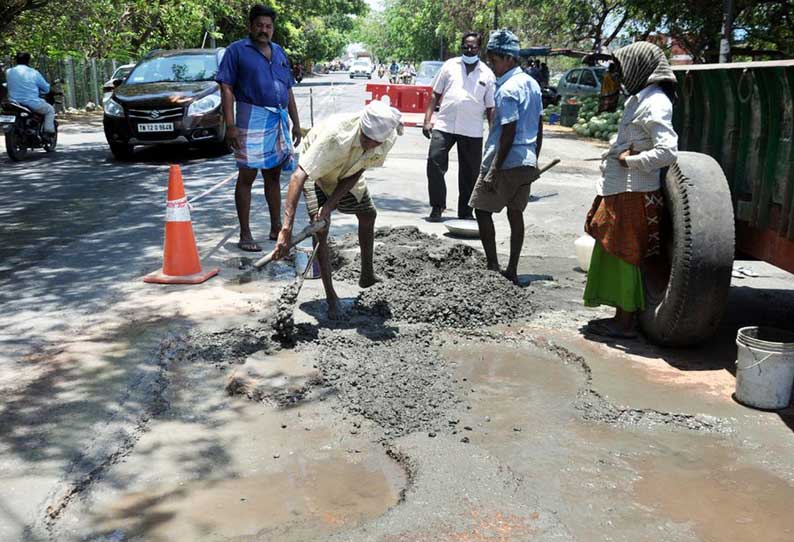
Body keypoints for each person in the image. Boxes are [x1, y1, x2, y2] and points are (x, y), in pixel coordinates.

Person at [272, 100, 403, 319]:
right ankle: (331, 297)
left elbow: (358, 170)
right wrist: (286, 230)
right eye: (366, 140)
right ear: (361, 127)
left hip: (347, 171)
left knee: (368, 214)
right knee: (320, 230)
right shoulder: (336, 136)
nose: (370, 146)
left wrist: (331, 205)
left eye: (375, 143)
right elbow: (298, 177)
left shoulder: (386, 138)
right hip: (315, 173)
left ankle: (367, 275)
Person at [583, 41, 678, 339]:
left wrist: (631, 161)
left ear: (640, 67)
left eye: (623, 68)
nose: (620, 75)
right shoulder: (638, 99)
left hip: (633, 191)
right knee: (612, 251)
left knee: (626, 256)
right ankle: (618, 317)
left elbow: (668, 152)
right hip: (618, 189)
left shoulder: (657, 102)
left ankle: (625, 324)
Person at [216, 4, 302, 252]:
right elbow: (226, 87)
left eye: (268, 26)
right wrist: (230, 125)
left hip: (278, 119)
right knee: (247, 175)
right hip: (249, 118)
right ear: (250, 27)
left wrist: (296, 123)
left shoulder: (279, 52)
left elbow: (288, 89)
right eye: (260, 26)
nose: (264, 30)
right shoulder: (236, 51)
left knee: (273, 175)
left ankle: (276, 227)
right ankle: (245, 234)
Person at [469, 29, 543, 285]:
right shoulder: (532, 84)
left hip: (507, 161)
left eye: (495, 61)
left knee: (481, 209)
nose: (493, 66)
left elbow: (508, 133)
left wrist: (493, 170)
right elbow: (539, 127)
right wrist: (535, 159)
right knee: (515, 212)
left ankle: (492, 268)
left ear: (509, 58)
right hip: (526, 160)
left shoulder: (508, 89)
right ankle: (512, 269)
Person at [423, 32, 495, 221]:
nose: (469, 50)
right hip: (444, 124)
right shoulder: (449, 66)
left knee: (470, 173)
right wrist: (427, 119)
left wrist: (494, 133)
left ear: (479, 49)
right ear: (461, 47)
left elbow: (491, 107)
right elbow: (435, 94)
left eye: (473, 47)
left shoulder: (487, 74)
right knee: (434, 163)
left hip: (472, 129)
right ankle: (437, 207)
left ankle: (465, 212)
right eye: (466, 46)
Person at [5, 52, 55, 136]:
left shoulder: (8, 71)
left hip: (13, 102)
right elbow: (46, 88)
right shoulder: (34, 73)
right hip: (31, 102)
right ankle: (48, 131)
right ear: (28, 61)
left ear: (16, 60)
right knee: (50, 110)